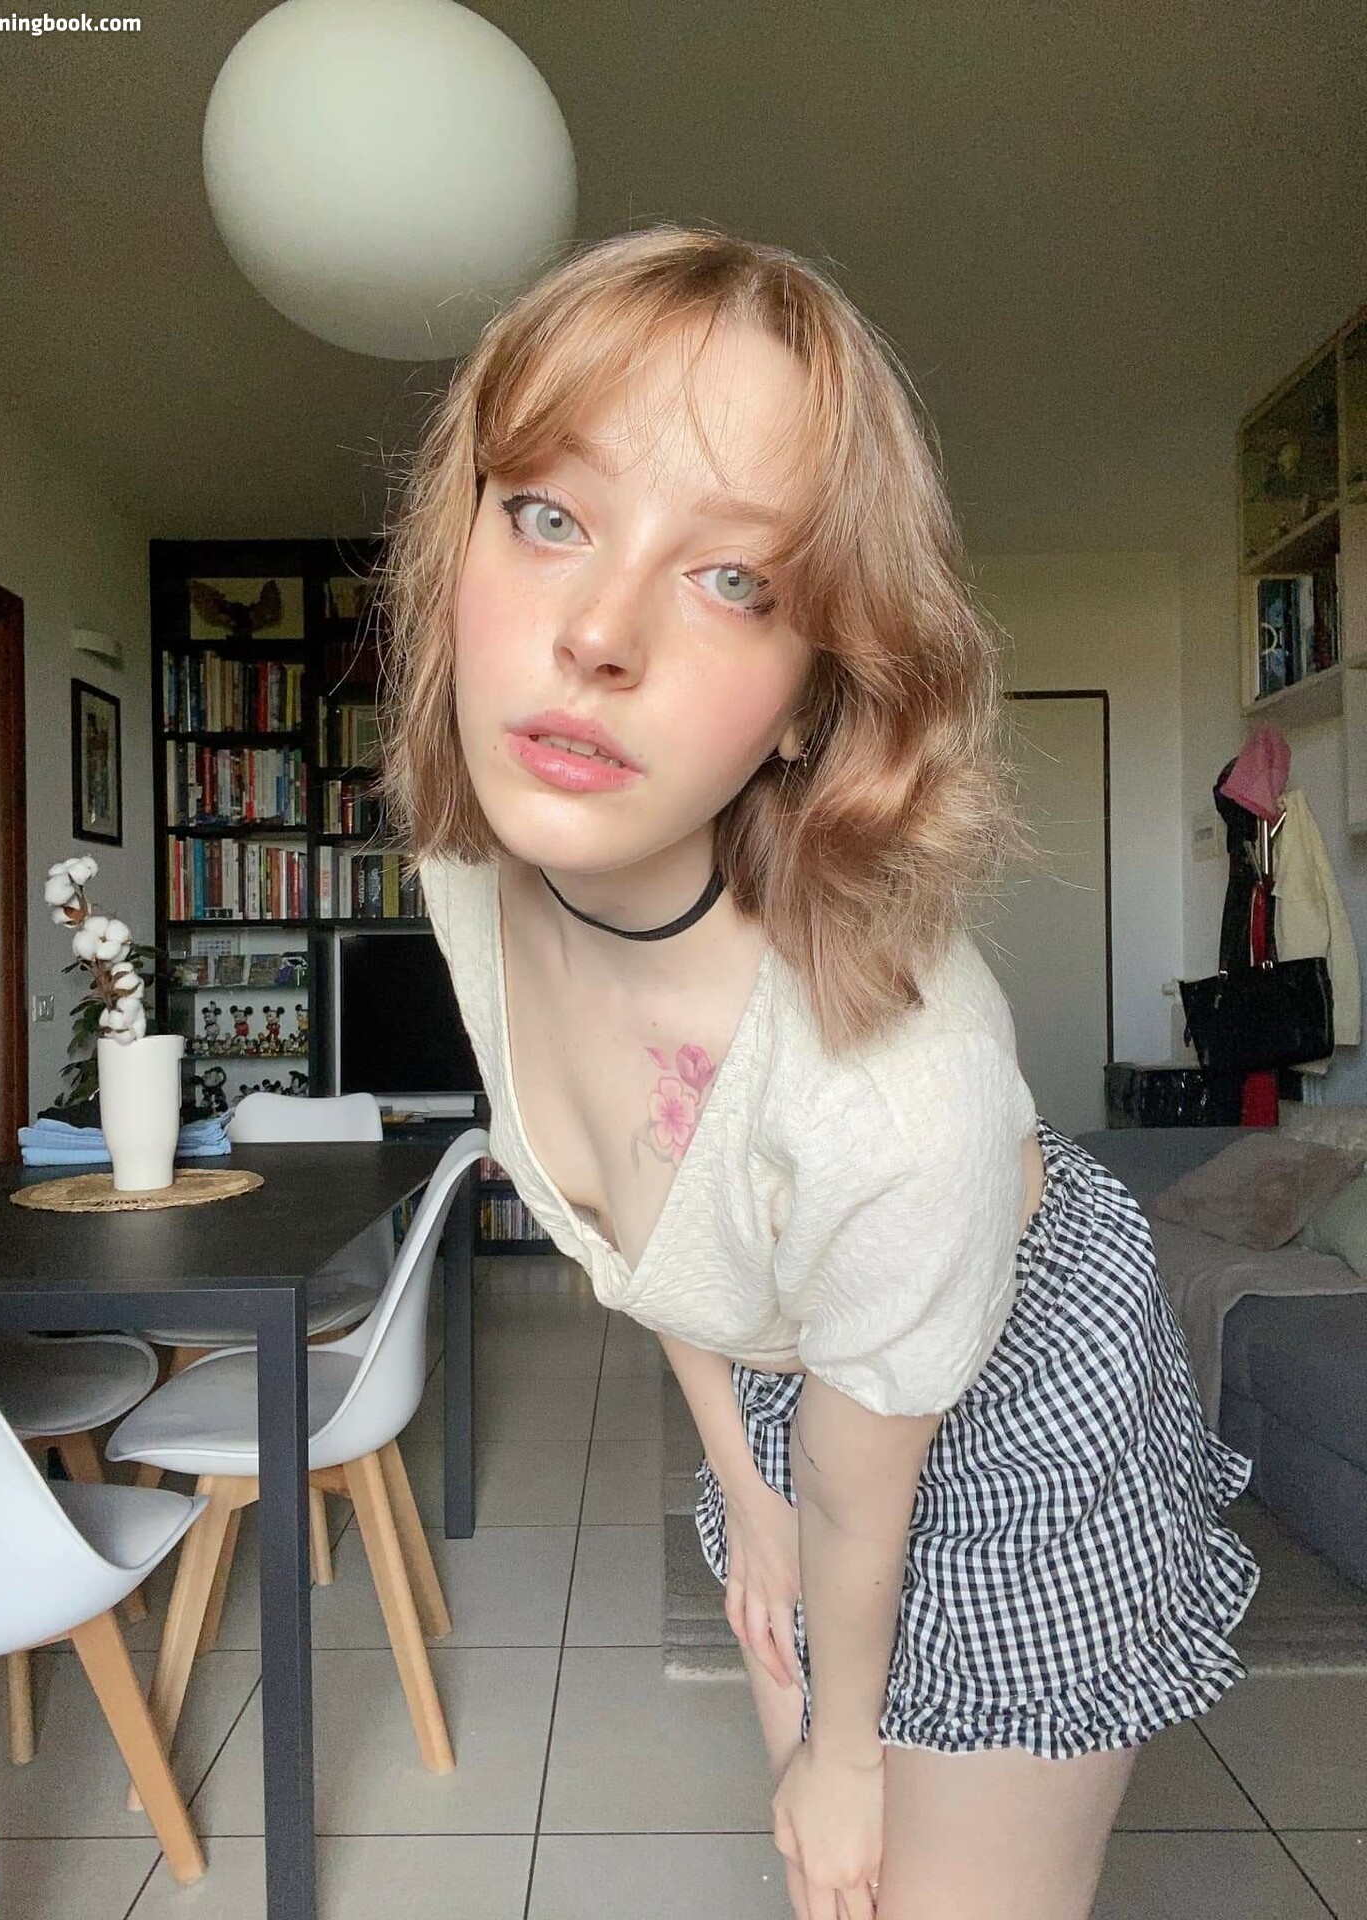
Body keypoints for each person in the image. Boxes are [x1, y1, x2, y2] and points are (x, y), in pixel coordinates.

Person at [378, 226, 1261, 1920]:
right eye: (549, 513)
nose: (597, 632)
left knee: (904, 1872)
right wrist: (738, 1474)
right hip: (801, 1353)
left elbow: (864, 1471)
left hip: (1004, 1377)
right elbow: (654, 1241)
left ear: (808, 698)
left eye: (735, 579)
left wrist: (842, 1753)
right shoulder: (472, 871)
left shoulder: (889, 1090)